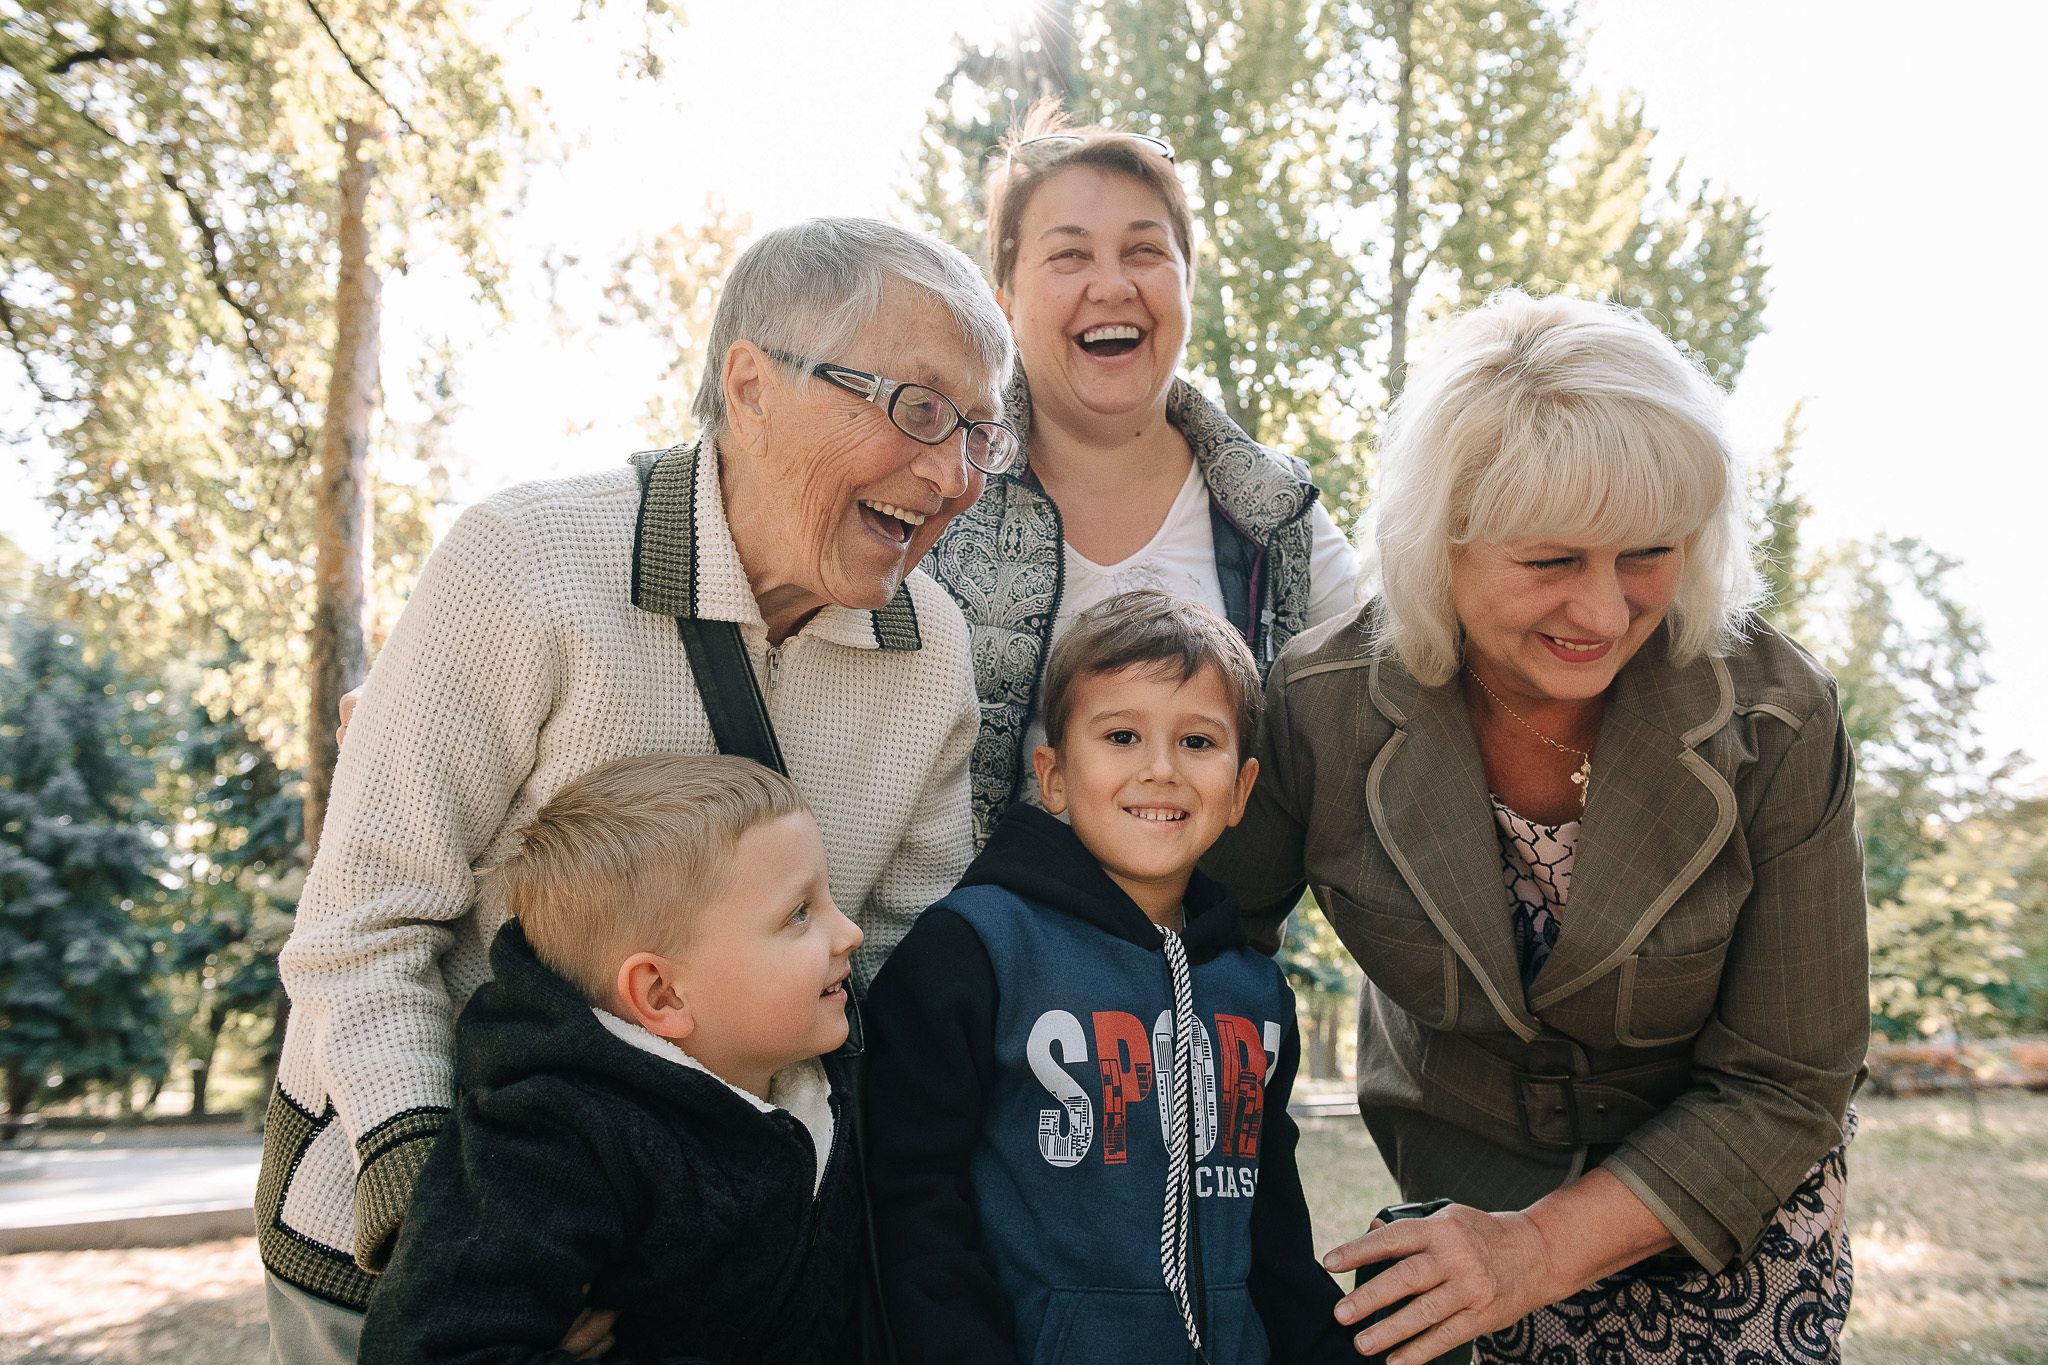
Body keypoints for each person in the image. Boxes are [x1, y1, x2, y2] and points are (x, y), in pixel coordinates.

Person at [258, 218, 1014, 1363]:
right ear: (750, 388)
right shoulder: (523, 564)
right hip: (421, 1254)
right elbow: (361, 929)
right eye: (916, 410)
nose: (952, 475)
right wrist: (469, 1250)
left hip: (698, 1285)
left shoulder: (935, 651)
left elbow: (895, 970)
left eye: (977, 432)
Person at [1208, 290, 1868, 1365]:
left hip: (1727, 1201)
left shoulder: (1777, 718)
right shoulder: (1315, 709)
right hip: (1460, 1189)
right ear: (1441, 547)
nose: (1603, 613)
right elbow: (1191, 961)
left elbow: (1785, 1081)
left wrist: (1535, 1254)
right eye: (1551, 561)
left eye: (1645, 553)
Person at [866, 590, 1354, 1365]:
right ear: (1054, 777)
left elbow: (1272, 1225)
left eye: (1198, 741)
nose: (1160, 769)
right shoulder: (975, 949)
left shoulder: (1254, 989)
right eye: (1122, 735)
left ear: (1241, 789)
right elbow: (911, 1198)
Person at [926, 100, 1360, 844]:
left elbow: (1381, 725)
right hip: (965, 951)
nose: (1112, 285)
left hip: (1206, 953)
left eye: (1145, 251)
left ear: (1188, 282)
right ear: (1005, 301)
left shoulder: (1277, 521)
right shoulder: (937, 497)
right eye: (1068, 255)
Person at [358, 754, 865, 1364]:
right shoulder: (547, 1143)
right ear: (662, 994)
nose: (851, 933)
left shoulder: (821, 1089)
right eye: (800, 914)